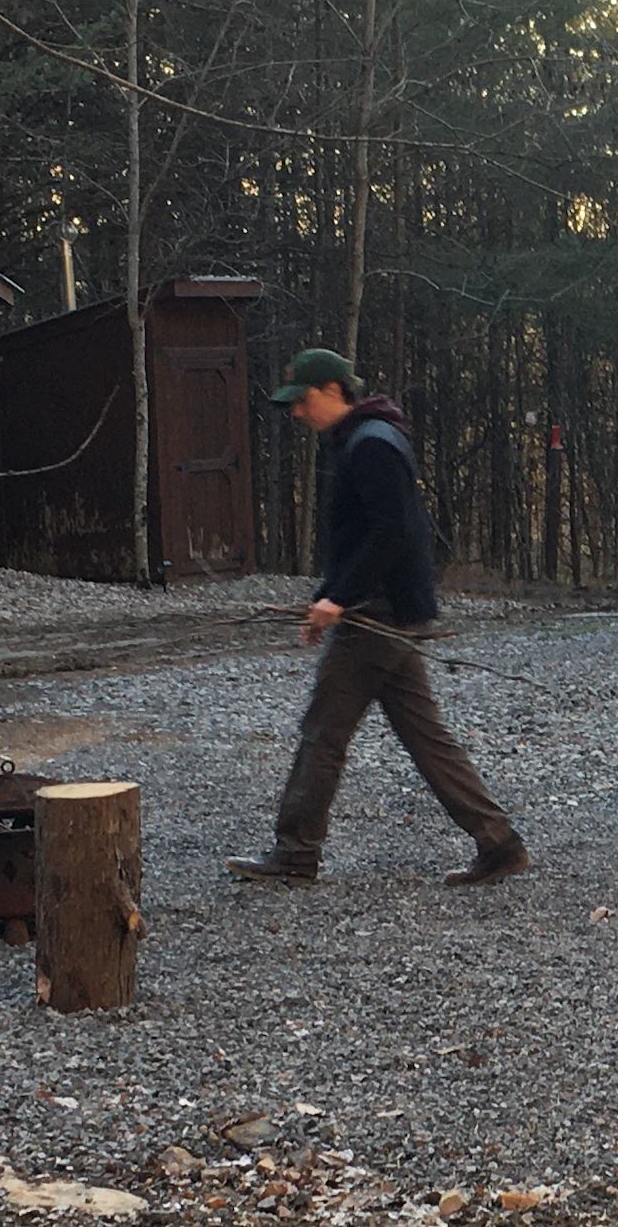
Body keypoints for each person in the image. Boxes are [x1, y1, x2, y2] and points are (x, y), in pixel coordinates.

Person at [227, 349, 529, 887]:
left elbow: (392, 534)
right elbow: (362, 539)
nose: (298, 413)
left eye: (304, 401)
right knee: (424, 735)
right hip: (387, 611)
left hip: (379, 615)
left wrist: (340, 599)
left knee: (323, 732)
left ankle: (295, 855)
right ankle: (499, 843)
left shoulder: (371, 446)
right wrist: (328, 597)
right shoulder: (364, 441)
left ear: (334, 391)